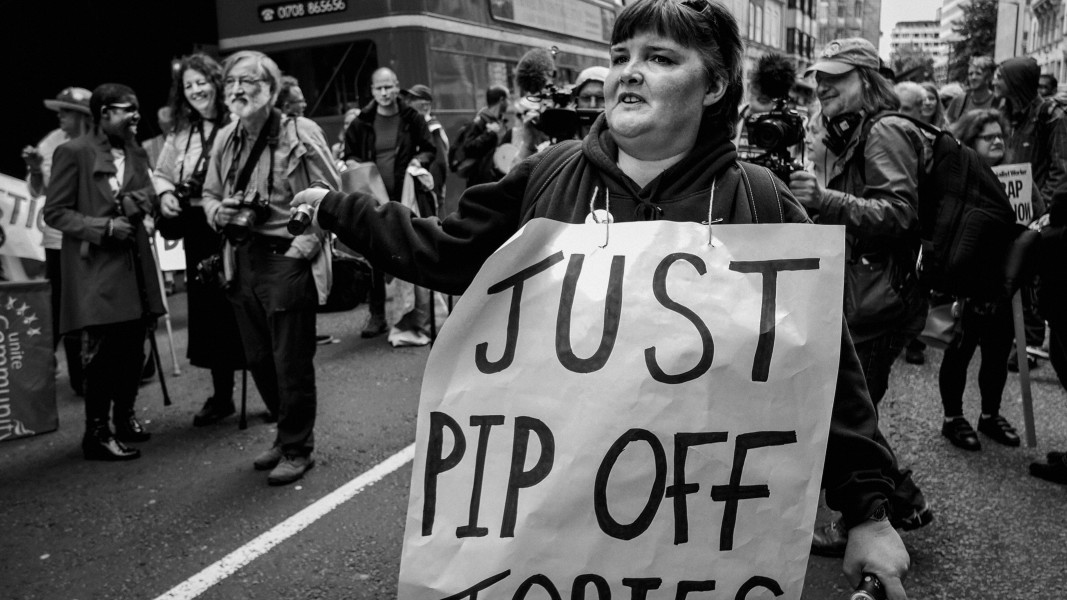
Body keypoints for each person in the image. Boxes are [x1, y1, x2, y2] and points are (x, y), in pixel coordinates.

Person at [294, 1, 910, 595]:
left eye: (661, 58)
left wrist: (869, 511)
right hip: (558, 531)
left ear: (715, 86)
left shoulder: (763, 202)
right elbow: (448, 250)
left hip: (704, 537)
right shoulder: (547, 175)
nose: (629, 72)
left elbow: (825, 366)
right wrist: (337, 209)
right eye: (620, 56)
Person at [790, 37, 934, 554]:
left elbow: (898, 215)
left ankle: (875, 518)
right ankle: (904, 501)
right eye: (819, 78)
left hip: (881, 300)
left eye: (836, 76)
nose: (822, 85)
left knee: (847, 413)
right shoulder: (851, 133)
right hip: (862, 293)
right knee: (851, 409)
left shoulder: (886, 130)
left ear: (868, 81)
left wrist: (824, 199)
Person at [200, 50, 340, 485]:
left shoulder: (301, 132)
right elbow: (208, 193)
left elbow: (330, 193)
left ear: (272, 89)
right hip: (241, 258)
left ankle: (298, 448)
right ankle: (284, 435)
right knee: (259, 356)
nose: (238, 90)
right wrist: (216, 213)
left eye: (249, 81)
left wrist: (304, 245)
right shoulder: (226, 137)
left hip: (286, 256)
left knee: (290, 361)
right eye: (231, 84)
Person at [43, 83, 166, 461]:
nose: (134, 116)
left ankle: (124, 418)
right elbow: (55, 212)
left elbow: (147, 192)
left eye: (136, 108)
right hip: (97, 267)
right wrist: (104, 227)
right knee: (102, 353)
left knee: (134, 347)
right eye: (123, 109)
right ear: (101, 114)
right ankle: (96, 432)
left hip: (134, 264)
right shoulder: (72, 153)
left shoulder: (136, 150)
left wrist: (137, 202)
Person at [154, 53, 247, 427]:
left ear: (217, 82)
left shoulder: (239, 122)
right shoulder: (181, 133)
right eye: (188, 86)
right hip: (197, 230)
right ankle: (221, 396)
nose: (196, 91)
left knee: (245, 307)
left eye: (201, 82)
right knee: (210, 314)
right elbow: (160, 174)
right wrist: (165, 195)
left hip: (234, 223)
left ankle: (271, 393)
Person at [934, 109, 1021, 451]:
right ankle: (952, 418)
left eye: (1001, 135)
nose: (998, 140)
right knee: (960, 350)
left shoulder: (1017, 177)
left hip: (1004, 283)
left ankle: (989, 415)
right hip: (968, 280)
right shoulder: (958, 181)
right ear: (970, 142)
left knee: (998, 353)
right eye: (989, 136)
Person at [342, 67, 436, 339]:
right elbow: (349, 155)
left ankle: (412, 314)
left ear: (397, 87)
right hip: (373, 200)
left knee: (406, 253)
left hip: (404, 200)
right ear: (372, 91)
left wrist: (419, 162)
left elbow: (429, 149)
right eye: (378, 89)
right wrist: (354, 165)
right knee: (375, 256)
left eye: (388, 87)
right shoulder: (362, 122)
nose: (384, 93)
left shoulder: (412, 118)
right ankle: (378, 315)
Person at [993, 57, 1067, 370]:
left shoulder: (1051, 115)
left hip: (1039, 208)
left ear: (1016, 81)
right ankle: (1013, 335)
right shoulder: (1004, 112)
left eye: (1000, 75)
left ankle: (1032, 343)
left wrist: (1045, 208)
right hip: (1008, 203)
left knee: (1033, 271)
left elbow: (1061, 166)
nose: (995, 81)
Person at [22, 86, 92, 396]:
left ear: (81, 116)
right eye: (59, 112)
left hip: (91, 236)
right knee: (63, 306)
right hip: (57, 240)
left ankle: (107, 370)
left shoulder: (100, 144)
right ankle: (69, 376)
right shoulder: (49, 143)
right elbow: (37, 192)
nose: (60, 117)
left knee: (94, 305)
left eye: (65, 111)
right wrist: (36, 170)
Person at [402, 84, 449, 207]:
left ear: (425, 105)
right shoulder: (415, 126)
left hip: (428, 190)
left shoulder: (432, 128)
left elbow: (440, 162)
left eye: (412, 99)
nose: (407, 102)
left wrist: (434, 192)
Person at [458, 85, 510, 188]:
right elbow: (468, 147)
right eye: (508, 99)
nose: (509, 103)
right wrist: (489, 134)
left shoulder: (501, 122)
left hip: (498, 180)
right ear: (502, 99)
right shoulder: (479, 122)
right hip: (480, 182)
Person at [945, 56, 996, 124]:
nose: (973, 77)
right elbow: (947, 126)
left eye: (978, 73)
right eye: (970, 74)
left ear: (989, 77)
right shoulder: (959, 100)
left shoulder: (998, 102)